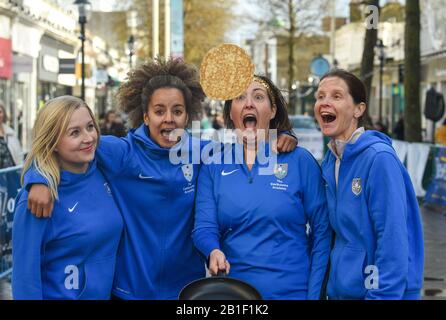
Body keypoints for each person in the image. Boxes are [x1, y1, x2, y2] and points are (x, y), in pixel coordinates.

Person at [24, 57, 299, 300]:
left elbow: (245, 147)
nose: (169, 119)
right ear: (145, 115)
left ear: (187, 116)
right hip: (129, 292)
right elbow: (63, 143)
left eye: (177, 111)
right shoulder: (122, 153)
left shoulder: (200, 152)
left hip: (186, 291)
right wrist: (38, 177)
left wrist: (284, 135)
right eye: (159, 111)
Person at [192, 75, 332, 299]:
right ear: (230, 112)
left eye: (258, 97)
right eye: (239, 98)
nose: (248, 103)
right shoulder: (214, 165)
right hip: (234, 295)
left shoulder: (301, 161)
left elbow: (323, 232)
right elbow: (204, 228)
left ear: (273, 110)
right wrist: (213, 250)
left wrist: (314, 294)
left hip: (293, 292)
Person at [313, 69, 424, 300]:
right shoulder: (330, 160)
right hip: (342, 292)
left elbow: (392, 238)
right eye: (320, 96)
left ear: (358, 109)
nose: (325, 102)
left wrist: (382, 296)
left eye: (336, 96)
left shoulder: (378, 158)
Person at [12, 96, 123, 299]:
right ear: (53, 142)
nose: (88, 138)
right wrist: (37, 176)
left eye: (90, 127)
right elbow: (25, 279)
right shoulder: (36, 198)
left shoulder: (103, 168)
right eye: (74, 133)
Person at [0, 101, 23, 169]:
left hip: (12, 175)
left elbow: (19, 156)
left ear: (4, 113)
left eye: (0, 112)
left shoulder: (11, 133)